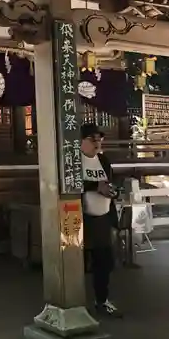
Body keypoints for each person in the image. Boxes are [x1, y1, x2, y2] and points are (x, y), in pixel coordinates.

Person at [81, 123, 122, 318]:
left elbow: (109, 183)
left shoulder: (103, 160)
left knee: (104, 262)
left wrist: (112, 191)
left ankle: (102, 301)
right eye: (92, 139)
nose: (97, 143)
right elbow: (71, 184)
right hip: (82, 219)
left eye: (99, 139)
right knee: (78, 263)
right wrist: (95, 186)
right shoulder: (74, 161)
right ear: (81, 142)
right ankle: (76, 304)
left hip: (103, 218)